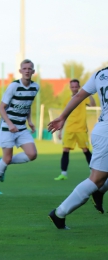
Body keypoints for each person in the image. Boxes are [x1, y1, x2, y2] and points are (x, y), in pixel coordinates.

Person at [48, 66, 108, 229]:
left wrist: (62, 117)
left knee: (98, 180)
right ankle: (59, 213)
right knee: (95, 179)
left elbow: (80, 95)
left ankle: (100, 189)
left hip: (102, 130)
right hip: (106, 133)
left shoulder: (100, 74)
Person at [0, 59, 39, 195]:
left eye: (30, 68)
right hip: (7, 126)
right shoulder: (13, 86)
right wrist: (10, 124)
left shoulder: (35, 87)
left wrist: (30, 121)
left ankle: (2, 162)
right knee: (8, 158)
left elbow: (27, 105)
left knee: (32, 154)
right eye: (25, 68)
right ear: (20, 71)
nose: (27, 71)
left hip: (21, 127)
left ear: (33, 71)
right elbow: (1, 108)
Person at [54, 79, 96, 181]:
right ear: (70, 88)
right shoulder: (66, 100)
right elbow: (63, 116)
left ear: (79, 87)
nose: (74, 89)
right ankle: (63, 174)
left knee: (86, 150)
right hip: (69, 129)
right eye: (72, 87)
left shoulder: (82, 98)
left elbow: (93, 105)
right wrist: (60, 131)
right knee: (65, 150)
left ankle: (93, 173)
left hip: (81, 129)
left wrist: (88, 92)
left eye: (76, 87)